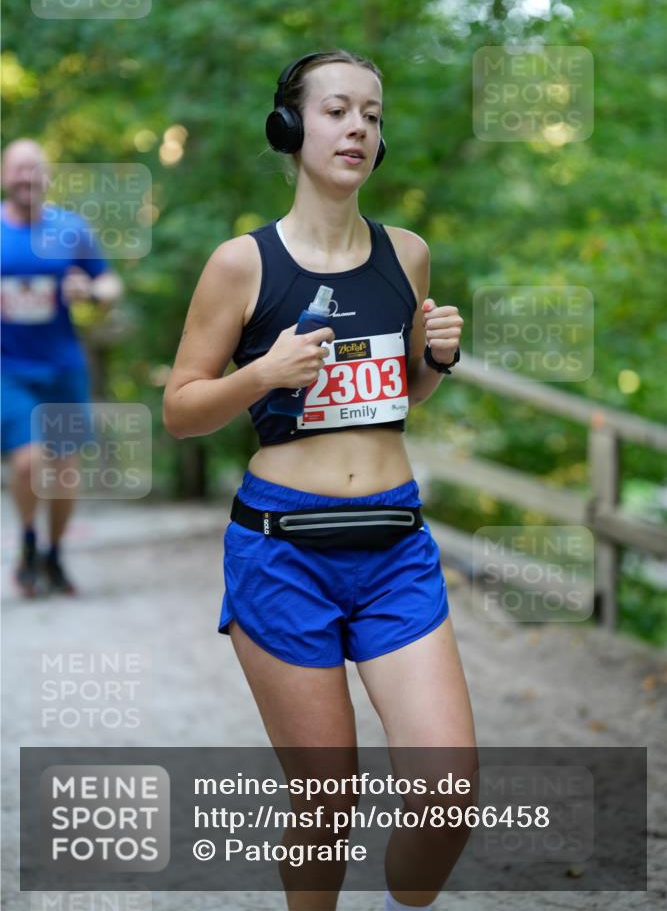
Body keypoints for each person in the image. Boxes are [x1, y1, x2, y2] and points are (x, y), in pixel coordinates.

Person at [163, 51, 477, 911]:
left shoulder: (405, 255)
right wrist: (261, 375)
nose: (358, 130)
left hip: (394, 544)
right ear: (290, 127)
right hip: (281, 549)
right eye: (338, 111)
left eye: (372, 116)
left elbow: (393, 397)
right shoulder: (242, 264)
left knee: (446, 790)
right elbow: (182, 411)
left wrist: (436, 361)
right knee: (326, 804)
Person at [1, 138, 123, 596]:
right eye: (17, 170)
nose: (26, 178)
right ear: (4, 176)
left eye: (34, 169)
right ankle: (28, 545)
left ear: (47, 177)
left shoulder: (70, 230)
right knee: (30, 460)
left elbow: (109, 283)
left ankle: (54, 554)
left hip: (62, 367)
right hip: (9, 370)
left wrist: (91, 293)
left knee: (66, 468)